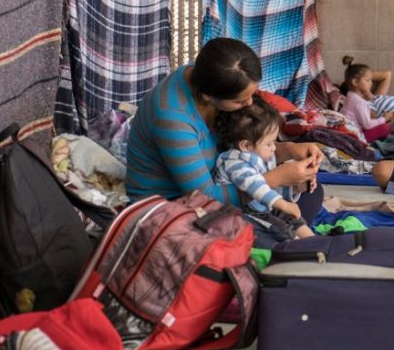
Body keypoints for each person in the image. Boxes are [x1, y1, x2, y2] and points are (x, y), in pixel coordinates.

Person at [126, 37, 324, 223]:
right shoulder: (172, 117)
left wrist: (287, 150)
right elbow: (204, 199)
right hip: (172, 208)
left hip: (225, 180)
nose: (250, 103)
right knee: (273, 225)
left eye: (252, 94)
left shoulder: (213, 76)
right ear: (208, 97)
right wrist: (274, 180)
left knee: (310, 193)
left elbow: (246, 145)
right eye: (240, 101)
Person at [213, 95, 315, 240]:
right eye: (269, 144)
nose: (274, 148)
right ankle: (296, 245)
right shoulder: (235, 162)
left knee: (292, 217)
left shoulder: (261, 154)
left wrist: (296, 185)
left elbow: (275, 185)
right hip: (241, 211)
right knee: (279, 229)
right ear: (245, 145)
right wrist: (283, 204)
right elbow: (257, 186)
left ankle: (313, 241)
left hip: (262, 206)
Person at [338, 57, 394, 142]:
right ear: (355, 82)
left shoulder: (350, 96)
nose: (371, 83)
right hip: (353, 135)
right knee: (386, 128)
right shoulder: (360, 103)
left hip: (348, 129)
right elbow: (367, 125)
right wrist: (385, 118)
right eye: (368, 80)